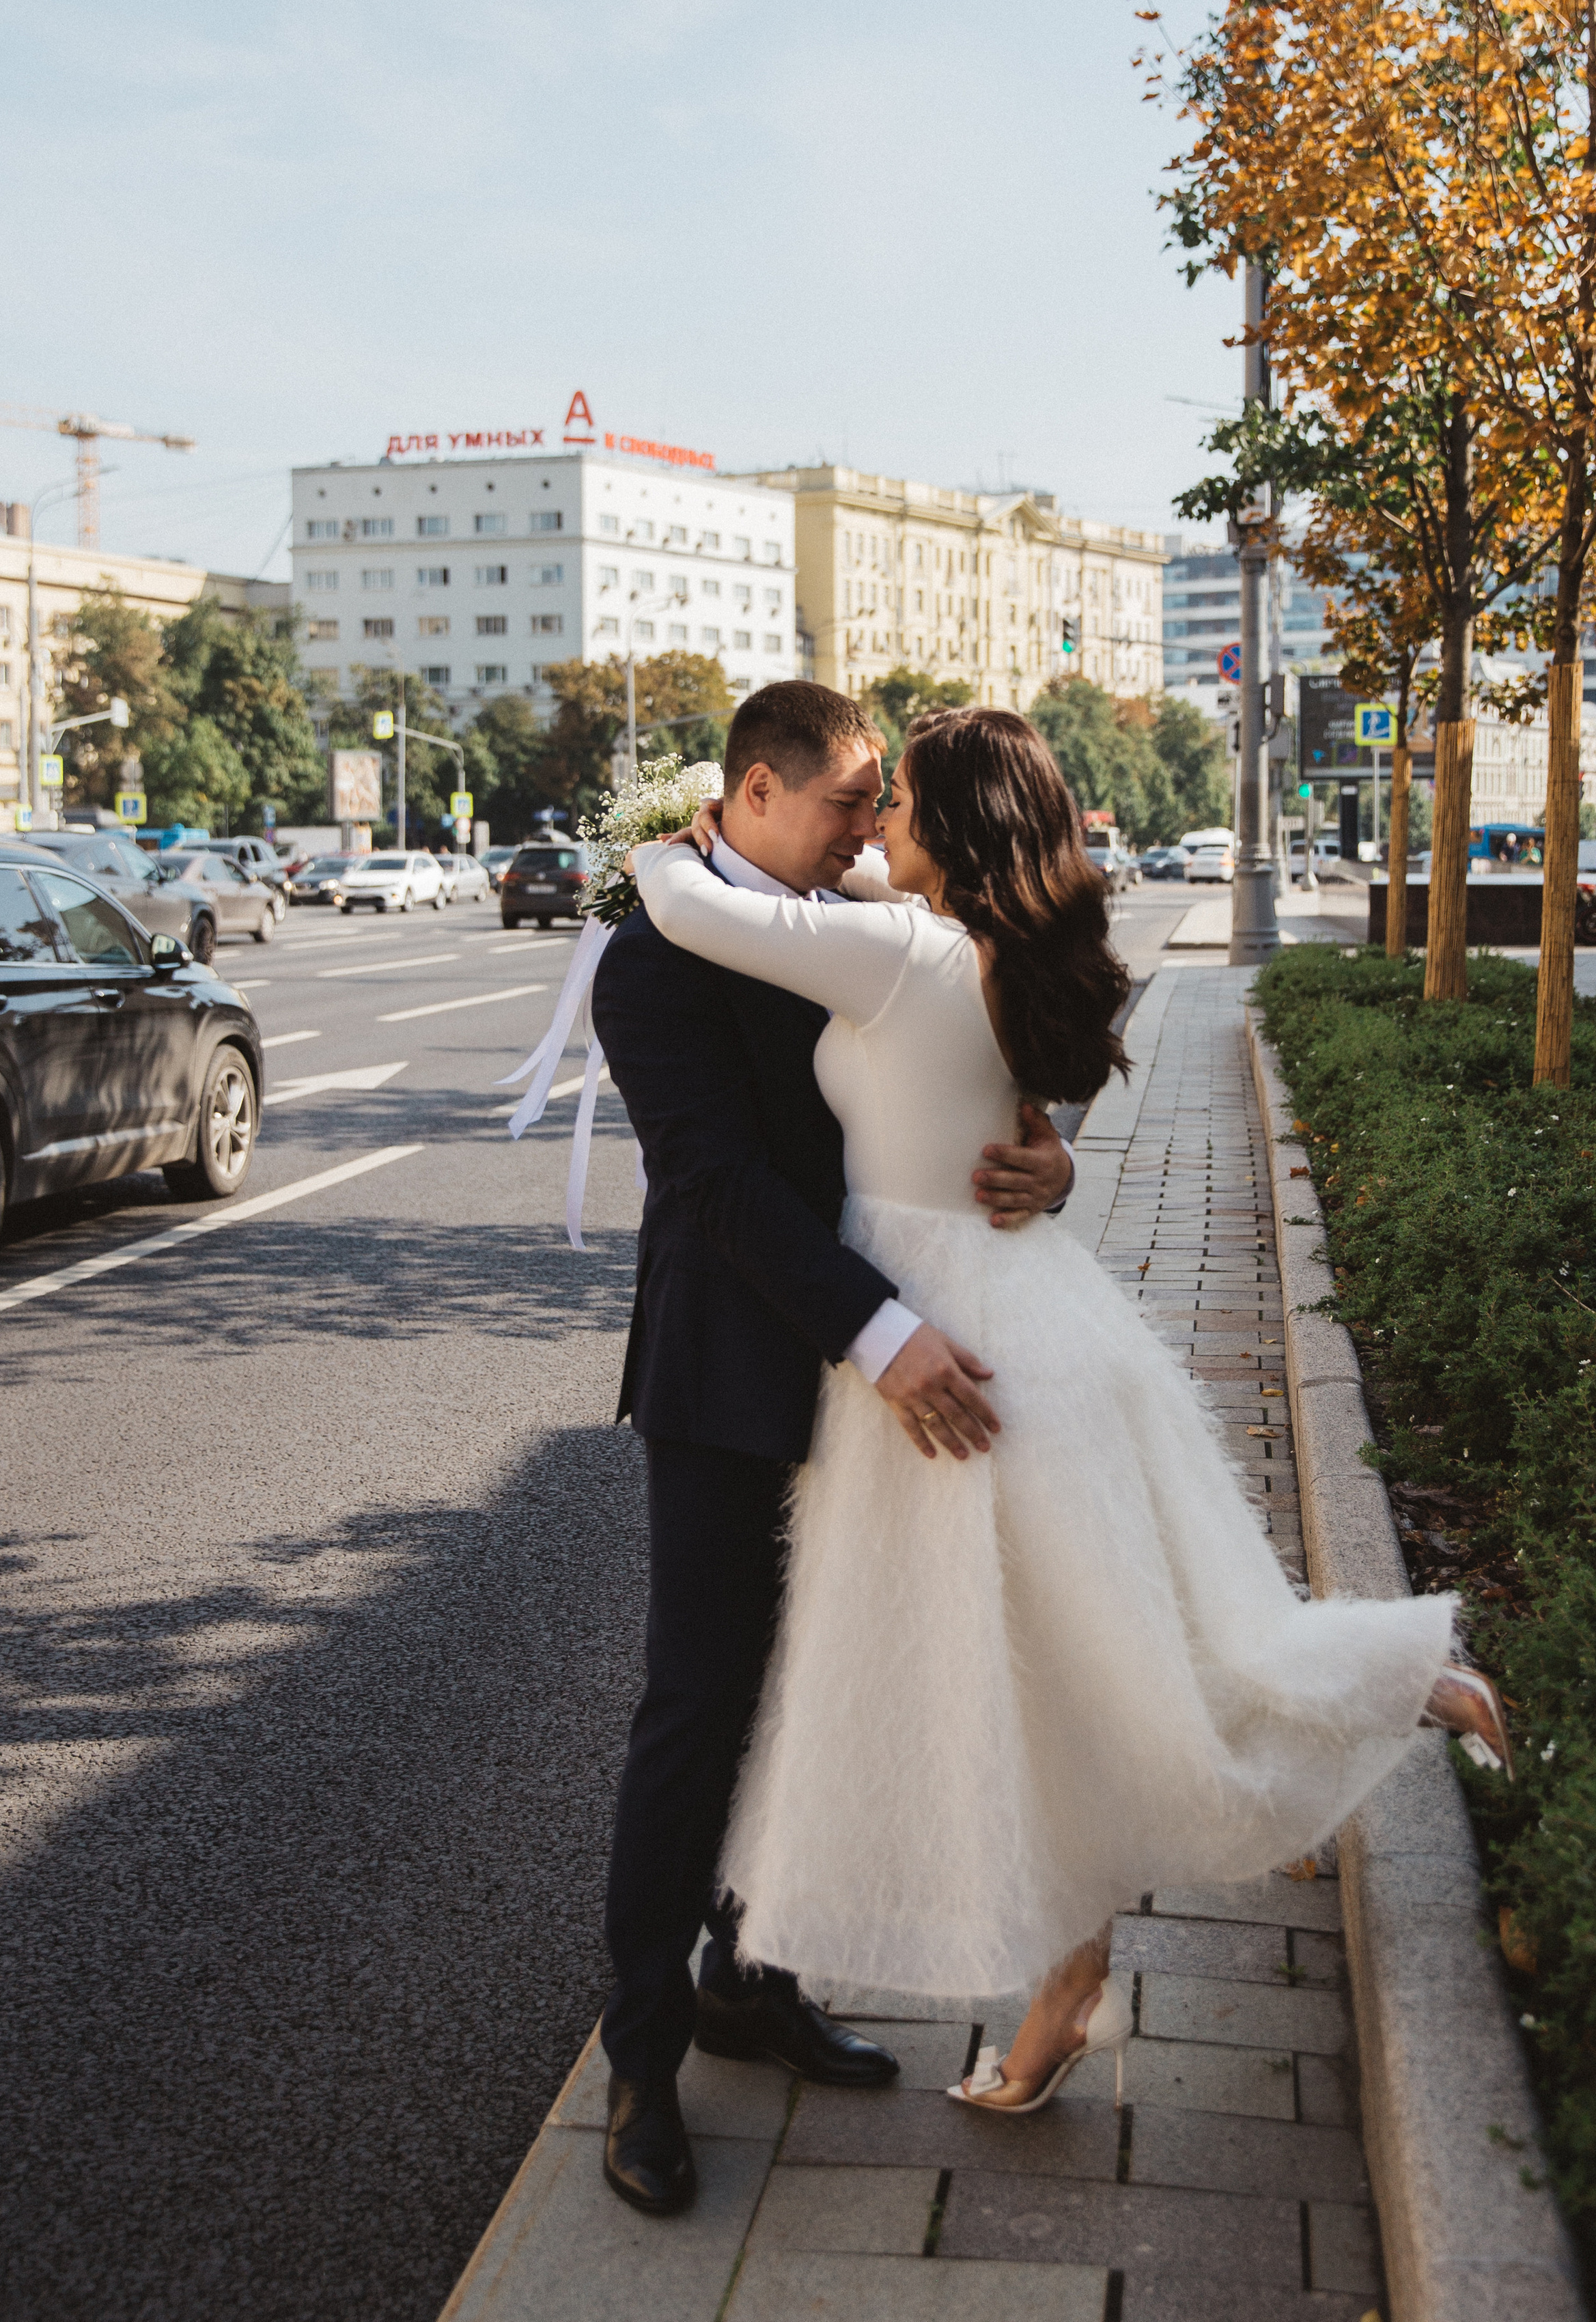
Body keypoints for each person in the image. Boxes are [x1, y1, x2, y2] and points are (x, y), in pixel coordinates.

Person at [629, 705, 1508, 2126]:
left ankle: (1384, 1691)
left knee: (1039, 1674)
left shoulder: (899, 950)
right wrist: (1051, 1156)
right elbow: (917, 988)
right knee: (1083, 1650)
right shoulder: (999, 951)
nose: (876, 827)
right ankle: (1069, 1973)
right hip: (1032, 1314)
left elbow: (691, 906)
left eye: (896, 801)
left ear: (953, 833)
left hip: (942, 1352)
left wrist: (670, 842)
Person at [589, 682, 1076, 2215]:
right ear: (749, 792)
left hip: (887, 1365)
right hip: (741, 1367)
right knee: (700, 1701)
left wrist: (1043, 1151)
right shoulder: (651, 957)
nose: (873, 830)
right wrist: (876, 1333)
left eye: (883, 802)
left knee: (822, 1682)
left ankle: (753, 1976)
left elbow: (970, 1052)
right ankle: (642, 2056)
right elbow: (721, 1186)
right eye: (848, 802)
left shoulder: (847, 906)